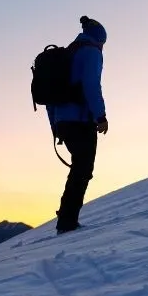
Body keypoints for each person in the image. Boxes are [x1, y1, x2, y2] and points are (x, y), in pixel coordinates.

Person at [47, 16, 108, 234]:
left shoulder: (67, 54)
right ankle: (67, 220)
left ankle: (67, 216)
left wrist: (55, 124)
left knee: (79, 167)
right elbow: (92, 85)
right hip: (81, 119)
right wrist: (100, 116)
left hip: (63, 121)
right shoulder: (91, 52)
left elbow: (51, 97)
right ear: (99, 38)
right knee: (83, 168)